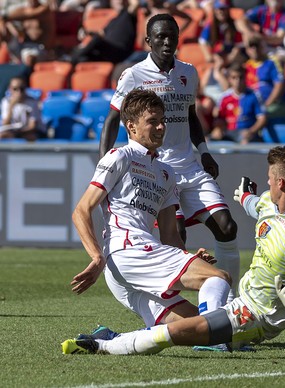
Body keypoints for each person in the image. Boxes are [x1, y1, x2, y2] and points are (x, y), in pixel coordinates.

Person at [61, 146, 285, 355]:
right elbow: (256, 207)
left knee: (172, 333)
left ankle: (104, 344)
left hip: (252, 318)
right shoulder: (267, 203)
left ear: (281, 184)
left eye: (271, 179)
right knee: (190, 323)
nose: (268, 183)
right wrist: (245, 197)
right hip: (252, 300)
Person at [99, 14, 242, 303]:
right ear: (148, 41)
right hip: (155, 171)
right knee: (174, 237)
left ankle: (231, 303)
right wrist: (105, 166)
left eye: (172, 36)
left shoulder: (188, 72)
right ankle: (177, 307)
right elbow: (112, 119)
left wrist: (204, 152)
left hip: (189, 166)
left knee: (227, 227)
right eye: (161, 36)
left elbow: (191, 116)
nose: (167, 41)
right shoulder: (133, 75)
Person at [68, 88, 231, 330]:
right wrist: (96, 256)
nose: (161, 127)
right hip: (129, 252)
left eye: (162, 121)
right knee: (219, 278)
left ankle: (107, 340)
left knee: (194, 324)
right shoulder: (119, 157)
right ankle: (220, 338)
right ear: (131, 127)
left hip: (129, 265)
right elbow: (81, 210)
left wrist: (187, 257)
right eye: (152, 122)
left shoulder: (167, 173)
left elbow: (170, 234)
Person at [69, 0, 139, 65]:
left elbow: (135, 4)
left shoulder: (128, 14)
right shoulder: (112, 21)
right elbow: (101, 33)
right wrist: (87, 33)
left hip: (120, 51)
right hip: (108, 51)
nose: (119, 1)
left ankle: (72, 58)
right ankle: (74, 56)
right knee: (87, 56)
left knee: (96, 40)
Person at [210, 64, 267, 144]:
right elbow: (219, 119)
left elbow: (262, 119)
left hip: (246, 131)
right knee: (212, 137)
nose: (238, 81)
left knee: (245, 142)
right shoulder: (224, 97)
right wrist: (219, 128)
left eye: (241, 77)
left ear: (245, 77)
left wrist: (251, 131)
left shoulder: (254, 95)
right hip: (228, 132)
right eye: (234, 78)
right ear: (229, 79)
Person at [0, 76, 44, 141]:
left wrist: (19, 132)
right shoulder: (5, 102)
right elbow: (5, 123)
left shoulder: (32, 102)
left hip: (30, 131)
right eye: (15, 89)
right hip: (15, 132)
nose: (19, 92)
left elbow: (32, 126)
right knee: (3, 136)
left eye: (22, 89)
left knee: (31, 137)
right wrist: (11, 107)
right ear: (10, 89)